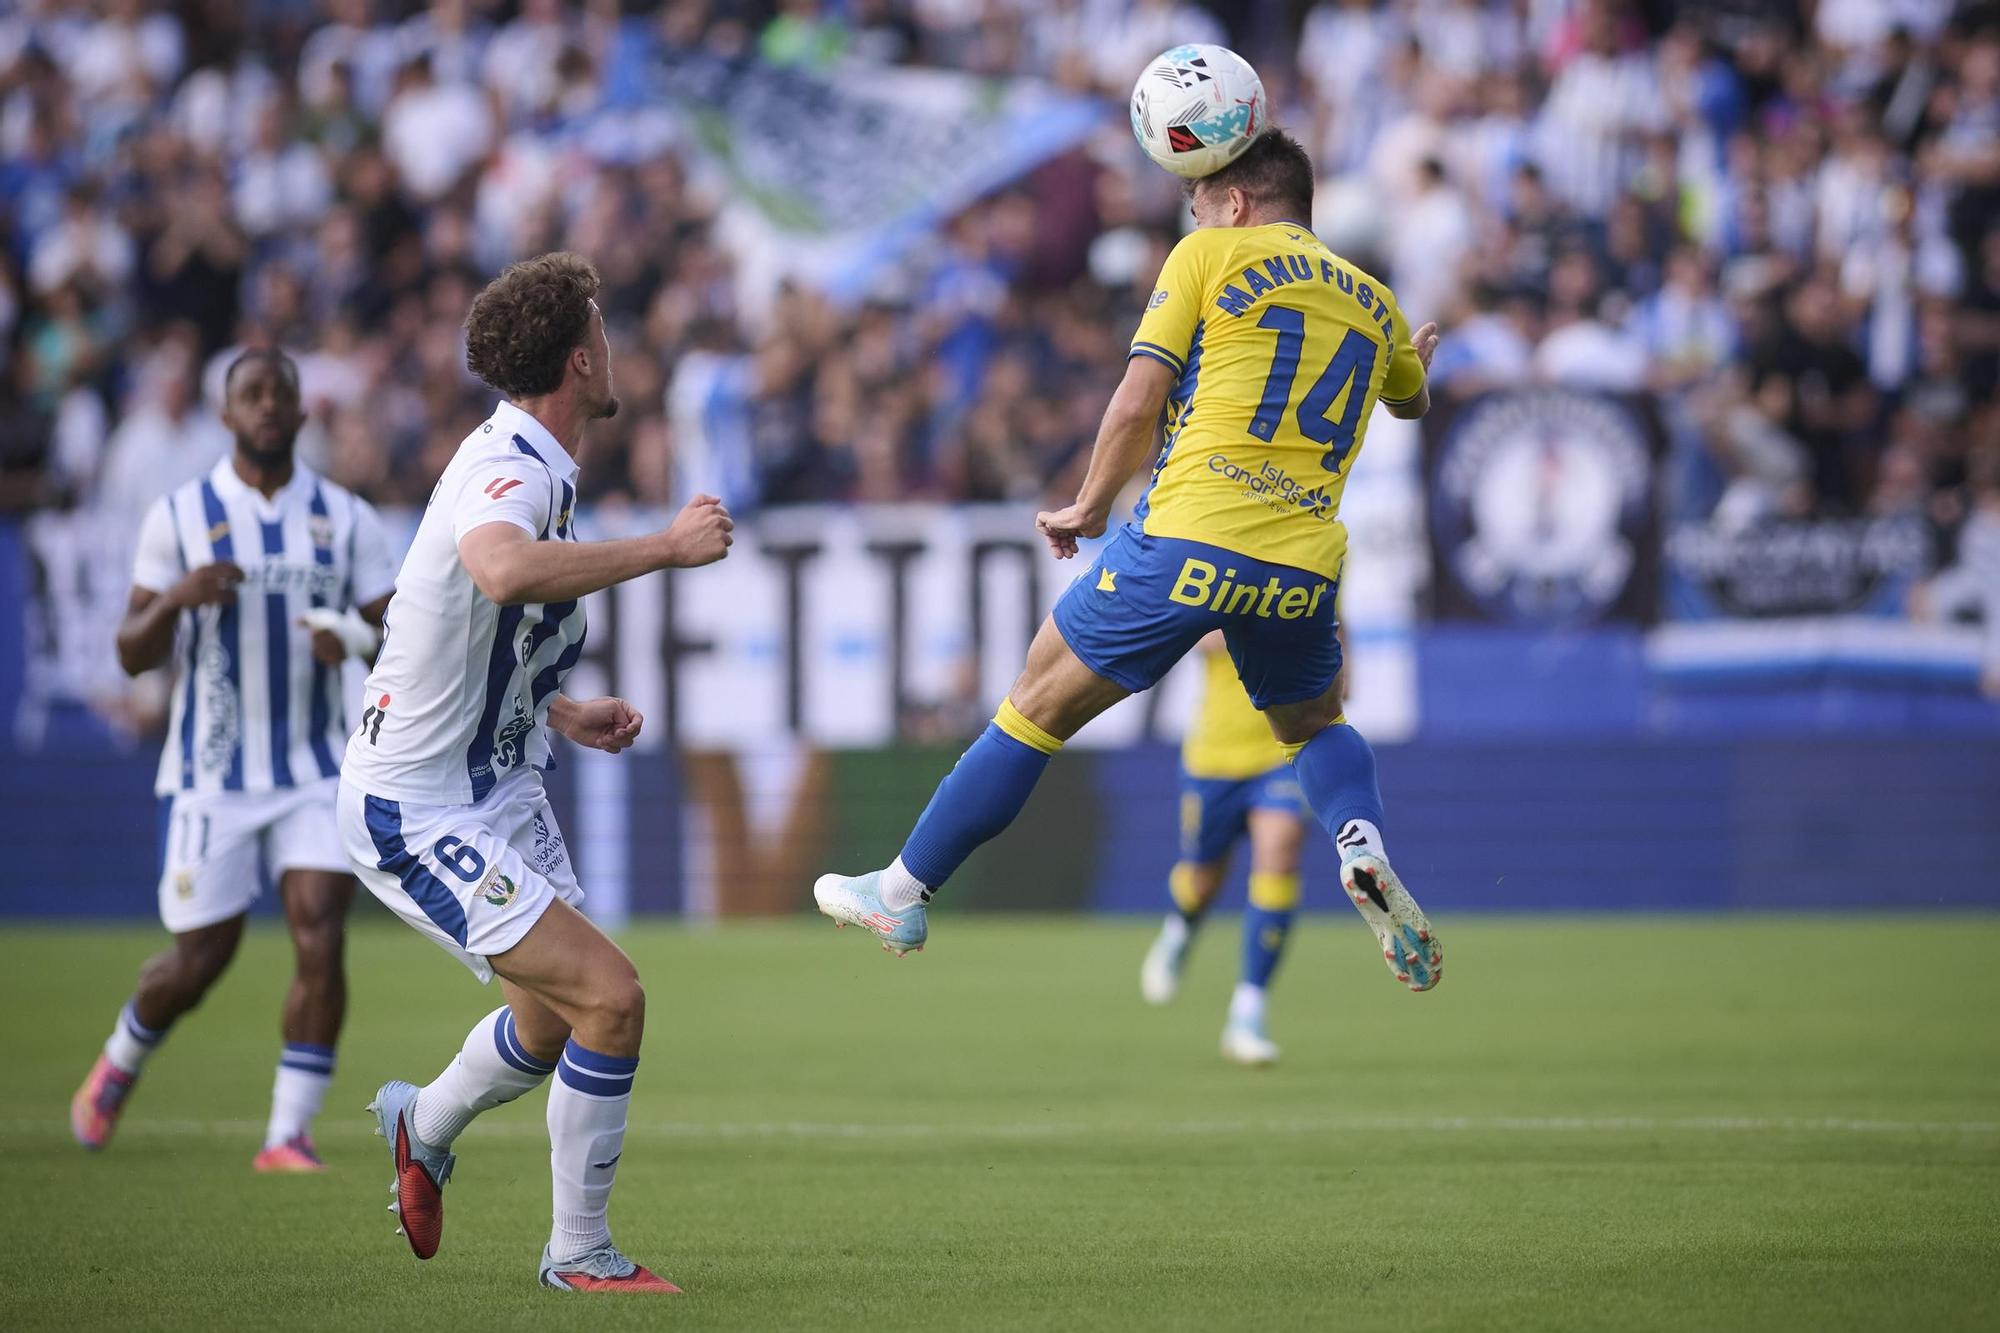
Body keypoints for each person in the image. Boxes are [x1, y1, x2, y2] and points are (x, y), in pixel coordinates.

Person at [815, 131, 1445, 996]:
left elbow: (1140, 394)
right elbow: (1411, 399)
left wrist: (1090, 502)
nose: (1190, 206)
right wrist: (1418, 363)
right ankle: (1361, 846)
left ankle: (901, 890)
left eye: (1198, 193)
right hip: (1301, 566)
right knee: (1315, 728)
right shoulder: (1375, 300)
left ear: (1236, 202)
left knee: (1034, 704)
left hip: (1190, 535)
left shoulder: (1207, 254)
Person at [336, 253, 733, 1294]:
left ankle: (422, 1120)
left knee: (554, 1015)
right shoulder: (511, 467)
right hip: (417, 807)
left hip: (494, 779)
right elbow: (499, 568)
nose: (615, 351)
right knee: (612, 998)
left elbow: (469, 629)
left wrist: (559, 707)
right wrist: (662, 546)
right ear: (577, 357)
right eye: (602, 332)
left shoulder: (531, 462)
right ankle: (578, 1253)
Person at [70, 348, 398, 1172]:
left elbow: (396, 633)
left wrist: (352, 637)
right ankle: (121, 1057)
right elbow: (132, 654)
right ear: (225, 415)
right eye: (250, 394)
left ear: (299, 413)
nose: (266, 406)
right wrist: (176, 599)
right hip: (213, 769)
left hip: (319, 761)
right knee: (196, 962)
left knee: (321, 933)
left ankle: (287, 1132)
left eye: (279, 394)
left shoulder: (344, 516)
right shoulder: (179, 516)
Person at [1140, 635, 1308, 1065]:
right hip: (1214, 758)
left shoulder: (1319, 568)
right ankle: (1181, 927)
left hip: (1280, 751)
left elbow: (1337, 637)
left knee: (1281, 850)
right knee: (1202, 880)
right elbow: (1203, 635)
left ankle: (1248, 1013)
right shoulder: (1227, 568)